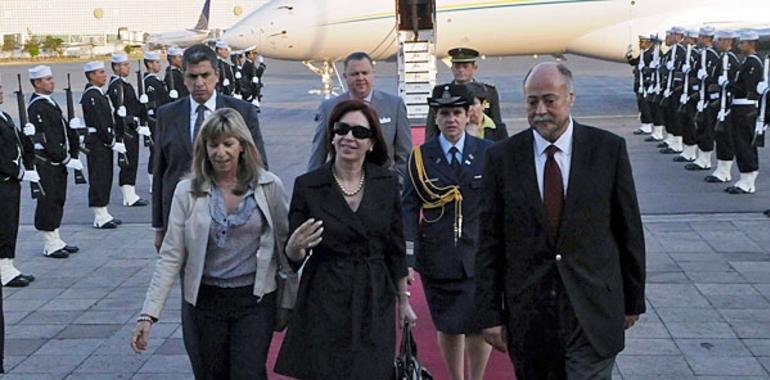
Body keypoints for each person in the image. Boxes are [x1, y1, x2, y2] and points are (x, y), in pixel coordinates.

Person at [475, 62, 646, 379]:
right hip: (530, 318)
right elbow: (489, 241)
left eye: (549, 100)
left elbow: (628, 230)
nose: (540, 110)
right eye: (532, 101)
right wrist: (489, 314)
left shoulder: (608, 150)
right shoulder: (502, 158)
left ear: (571, 98)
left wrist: (633, 299)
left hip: (593, 312)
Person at [132, 108, 289, 379]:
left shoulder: (269, 186)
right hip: (204, 303)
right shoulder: (187, 191)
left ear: (242, 146)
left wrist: (289, 302)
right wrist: (148, 314)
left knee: (249, 373)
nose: (220, 152)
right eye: (213, 145)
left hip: (254, 301)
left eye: (228, 144)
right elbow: (171, 255)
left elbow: (285, 247)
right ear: (203, 148)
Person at [275, 99, 417, 379]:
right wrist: (293, 248)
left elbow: (396, 248)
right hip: (324, 295)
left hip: (374, 294)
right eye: (342, 129)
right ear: (332, 136)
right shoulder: (309, 185)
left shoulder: (385, 184)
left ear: (372, 142)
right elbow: (293, 256)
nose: (349, 137)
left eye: (359, 133)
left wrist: (404, 301)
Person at [402, 84, 493, 380]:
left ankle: (476, 378)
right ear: (436, 119)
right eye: (444, 113)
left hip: (479, 254)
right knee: (449, 324)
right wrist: (409, 258)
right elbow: (408, 209)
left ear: (468, 115)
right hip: (439, 255)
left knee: (480, 325)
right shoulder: (421, 157)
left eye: (457, 112)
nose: (451, 119)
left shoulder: (488, 153)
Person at [153, 43, 268, 250]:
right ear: (183, 76)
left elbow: (259, 165)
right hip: (182, 216)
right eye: (192, 76)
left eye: (205, 76)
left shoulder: (241, 111)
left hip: (230, 215)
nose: (200, 83)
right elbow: (161, 172)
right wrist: (159, 227)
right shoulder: (167, 115)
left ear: (216, 74)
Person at [307, 52, 411, 179]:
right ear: (345, 77)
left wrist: (396, 184)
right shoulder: (328, 108)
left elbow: (404, 154)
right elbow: (318, 154)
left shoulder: (394, 105)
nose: (360, 78)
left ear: (373, 74)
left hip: (383, 186)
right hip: (342, 186)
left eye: (365, 73)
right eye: (355, 74)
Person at [27, 65, 81, 259]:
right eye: (47, 79)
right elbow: (47, 137)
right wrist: (65, 158)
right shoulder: (37, 106)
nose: (52, 82)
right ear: (37, 83)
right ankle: (49, 243)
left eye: (51, 78)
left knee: (58, 199)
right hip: (47, 162)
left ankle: (56, 238)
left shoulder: (48, 102)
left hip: (56, 162)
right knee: (48, 201)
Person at [0, 78, 37, 287]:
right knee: (3, 225)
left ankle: (8, 265)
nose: (1, 92)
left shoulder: (4, 115)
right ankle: (4, 271)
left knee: (10, 223)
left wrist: (27, 137)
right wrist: (18, 173)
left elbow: (15, 143)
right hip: (4, 180)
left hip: (10, 181)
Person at [425, 47, 505, 140]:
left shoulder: (488, 92)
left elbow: (496, 123)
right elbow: (432, 126)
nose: (461, 70)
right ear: (452, 68)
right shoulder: (442, 93)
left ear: (474, 68)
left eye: (465, 66)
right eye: (457, 67)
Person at [81, 61, 123, 229]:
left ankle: (104, 212)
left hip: (102, 141)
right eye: (100, 72)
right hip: (98, 142)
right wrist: (110, 141)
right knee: (99, 177)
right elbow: (99, 122)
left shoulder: (98, 93)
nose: (104, 75)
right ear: (91, 76)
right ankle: (99, 215)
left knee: (106, 176)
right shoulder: (91, 95)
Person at [723, 31, 763, 194]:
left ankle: (748, 180)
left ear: (751, 44)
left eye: (742, 43)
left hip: (746, 108)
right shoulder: (746, 61)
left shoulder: (753, 63)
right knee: (739, 142)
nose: (739, 46)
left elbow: (746, 88)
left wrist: (728, 84)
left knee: (744, 143)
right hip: (739, 107)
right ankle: (744, 177)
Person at [108, 53, 149, 207]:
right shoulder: (116, 86)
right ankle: (128, 195)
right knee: (127, 162)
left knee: (133, 160)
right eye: (124, 65)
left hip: (132, 128)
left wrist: (141, 105)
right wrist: (134, 123)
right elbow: (120, 111)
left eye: (127, 64)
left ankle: (131, 192)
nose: (128, 67)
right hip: (125, 129)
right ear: (116, 67)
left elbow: (133, 106)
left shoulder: (125, 85)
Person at [704, 30, 740, 184]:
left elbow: (736, 85)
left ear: (727, 41)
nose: (717, 42)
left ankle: (725, 171)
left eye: (719, 40)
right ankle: (721, 168)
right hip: (719, 103)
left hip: (726, 105)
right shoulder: (723, 57)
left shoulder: (731, 59)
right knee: (719, 136)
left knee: (725, 138)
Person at [685, 26, 720, 171]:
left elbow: (715, 79)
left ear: (706, 38)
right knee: (701, 126)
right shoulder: (702, 54)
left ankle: (705, 160)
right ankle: (702, 157)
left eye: (700, 36)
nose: (698, 38)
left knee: (706, 128)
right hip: (700, 96)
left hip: (708, 98)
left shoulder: (712, 55)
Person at [142, 50, 172, 188]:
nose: (159, 65)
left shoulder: (155, 80)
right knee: (155, 152)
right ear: (149, 64)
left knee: (160, 151)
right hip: (155, 122)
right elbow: (153, 106)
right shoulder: (149, 82)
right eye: (156, 62)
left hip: (162, 120)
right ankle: (152, 182)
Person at [627, 34, 655, 135]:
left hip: (646, 84)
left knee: (645, 105)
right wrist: (629, 55)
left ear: (649, 43)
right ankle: (644, 124)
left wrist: (644, 72)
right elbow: (634, 62)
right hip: (640, 83)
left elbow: (652, 70)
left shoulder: (651, 55)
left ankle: (647, 125)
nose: (640, 44)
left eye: (642, 42)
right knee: (641, 104)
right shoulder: (643, 54)